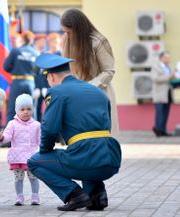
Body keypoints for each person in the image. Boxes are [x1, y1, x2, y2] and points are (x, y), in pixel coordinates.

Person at [27, 53, 122, 211]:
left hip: (87, 157)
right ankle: (97, 195)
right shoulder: (97, 91)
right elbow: (107, 126)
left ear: (50, 76)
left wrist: (45, 152)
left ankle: (75, 195)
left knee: (35, 162)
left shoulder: (57, 92)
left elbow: (49, 128)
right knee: (84, 152)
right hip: (111, 158)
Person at [61, 8, 119, 136]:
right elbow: (65, 67)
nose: (67, 35)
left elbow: (109, 71)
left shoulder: (98, 41)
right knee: (80, 137)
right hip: (77, 95)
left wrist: (89, 86)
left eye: (69, 32)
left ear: (79, 29)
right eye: (64, 32)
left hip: (100, 94)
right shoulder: (66, 39)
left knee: (102, 137)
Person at [0, 94, 41, 206]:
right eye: (22, 109)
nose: (26, 112)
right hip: (18, 157)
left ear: (33, 110)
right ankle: (19, 196)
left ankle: (35, 195)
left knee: (33, 177)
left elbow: (41, 141)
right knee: (18, 178)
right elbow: (7, 136)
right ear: (17, 111)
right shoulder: (12, 124)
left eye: (29, 109)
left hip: (32, 156)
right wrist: (1, 137)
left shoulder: (37, 125)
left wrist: (44, 151)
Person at [4, 30, 38, 123]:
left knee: (12, 109)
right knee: (31, 110)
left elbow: (6, 67)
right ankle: (34, 133)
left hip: (17, 82)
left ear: (22, 39)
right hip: (31, 83)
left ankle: (9, 134)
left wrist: (15, 69)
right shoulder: (36, 53)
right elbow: (39, 71)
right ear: (31, 41)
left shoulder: (16, 51)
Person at [152, 51, 176, 137]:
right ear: (161, 58)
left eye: (169, 58)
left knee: (166, 113)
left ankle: (163, 130)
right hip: (160, 94)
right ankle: (158, 130)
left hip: (168, 93)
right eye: (166, 57)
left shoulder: (169, 67)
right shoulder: (156, 67)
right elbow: (155, 79)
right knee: (160, 112)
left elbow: (169, 80)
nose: (168, 59)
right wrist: (170, 76)